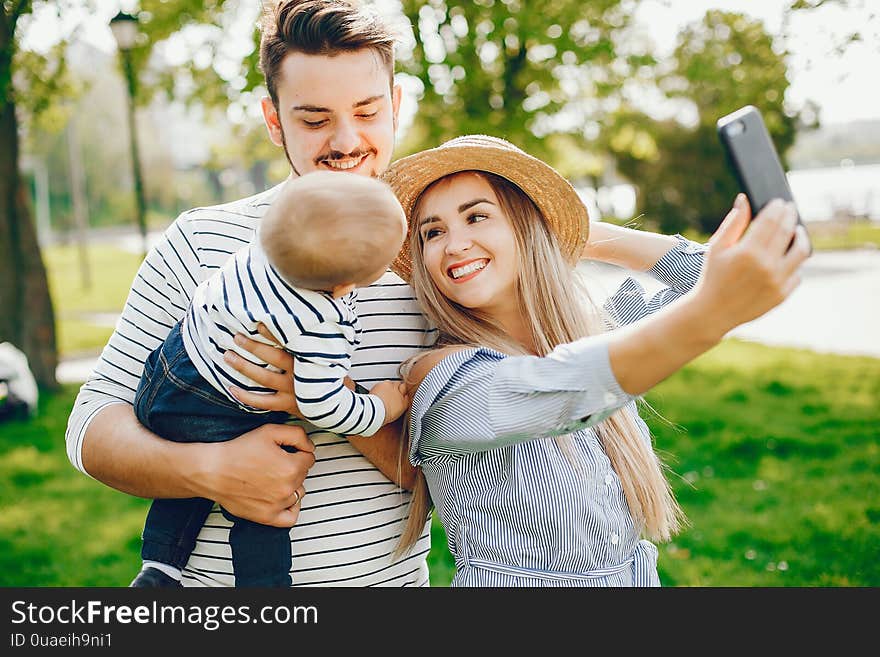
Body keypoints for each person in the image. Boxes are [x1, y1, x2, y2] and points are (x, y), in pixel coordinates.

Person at [65, 0, 436, 587]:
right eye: (314, 119)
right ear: (273, 119)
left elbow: (458, 476)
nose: (345, 142)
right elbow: (89, 428)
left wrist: (314, 399)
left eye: (366, 112)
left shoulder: (434, 258)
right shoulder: (199, 240)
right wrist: (210, 469)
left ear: (394, 106)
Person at [382, 134, 811, 586]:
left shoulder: (591, 329)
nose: (454, 245)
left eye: (477, 217)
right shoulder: (444, 377)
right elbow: (567, 386)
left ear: (526, 228)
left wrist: (582, 235)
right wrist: (710, 314)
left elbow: (699, 275)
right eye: (433, 232)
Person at [129, 171, 410, 588]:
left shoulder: (262, 248)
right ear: (345, 286)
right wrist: (383, 406)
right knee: (263, 501)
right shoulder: (319, 322)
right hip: (221, 406)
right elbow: (323, 404)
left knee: (193, 471)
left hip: (167, 374)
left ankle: (161, 566)